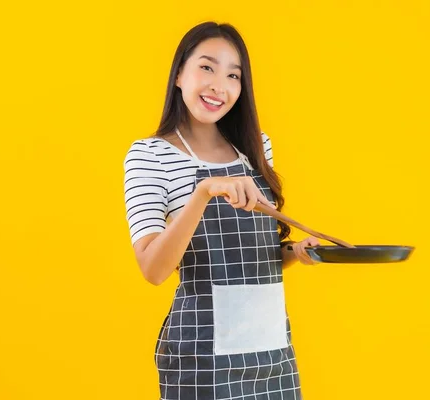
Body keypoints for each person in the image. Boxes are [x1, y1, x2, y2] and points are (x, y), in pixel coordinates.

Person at [123, 21, 320, 400]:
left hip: (271, 351)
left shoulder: (255, 147)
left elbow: (248, 259)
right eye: (207, 67)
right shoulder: (150, 155)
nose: (219, 86)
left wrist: (294, 252)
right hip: (201, 355)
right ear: (179, 73)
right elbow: (152, 268)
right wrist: (203, 193)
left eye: (234, 75)